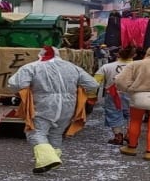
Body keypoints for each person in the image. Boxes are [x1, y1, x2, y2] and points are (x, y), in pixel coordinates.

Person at [7, 45, 99, 174]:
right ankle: (54, 158)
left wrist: (22, 94)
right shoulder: (72, 67)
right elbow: (92, 84)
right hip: (68, 105)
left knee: (35, 132)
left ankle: (47, 159)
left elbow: (16, 84)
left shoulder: (32, 67)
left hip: (44, 104)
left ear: (40, 55)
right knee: (56, 133)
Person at [94, 45, 136, 145]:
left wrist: (91, 95)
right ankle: (130, 135)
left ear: (117, 54)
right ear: (134, 55)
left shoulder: (106, 67)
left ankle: (118, 136)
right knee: (133, 116)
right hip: (133, 94)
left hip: (113, 94)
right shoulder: (139, 67)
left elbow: (95, 82)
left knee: (114, 114)